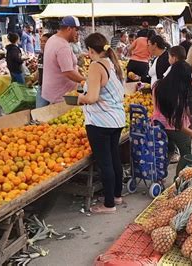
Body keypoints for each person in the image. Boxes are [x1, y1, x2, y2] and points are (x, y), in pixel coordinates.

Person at [77, 33, 125, 214]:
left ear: (90, 50)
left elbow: (92, 97)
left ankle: (109, 204)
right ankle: (116, 196)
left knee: (105, 162)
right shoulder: (112, 63)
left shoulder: (96, 66)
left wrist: (80, 98)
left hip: (100, 122)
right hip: (116, 119)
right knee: (114, 159)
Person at [153, 46, 192, 176]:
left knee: (167, 151)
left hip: (158, 126)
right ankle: (179, 181)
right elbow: (177, 123)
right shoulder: (179, 94)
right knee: (186, 154)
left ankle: (159, 177)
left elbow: (155, 109)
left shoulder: (157, 86)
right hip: (175, 128)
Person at [42, 16, 86, 104]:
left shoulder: (53, 39)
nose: (77, 33)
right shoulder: (62, 46)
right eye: (76, 30)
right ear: (69, 29)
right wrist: (86, 81)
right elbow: (68, 72)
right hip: (62, 97)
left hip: (52, 93)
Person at [33, 33, 53, 108]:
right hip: (41, 87)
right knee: (39, 111)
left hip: (52, 88)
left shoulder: (53, 55)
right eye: (41, 41)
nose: (42, 44)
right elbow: (40, 69)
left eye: (45, 41)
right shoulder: (41, 55)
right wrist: (32, 80)